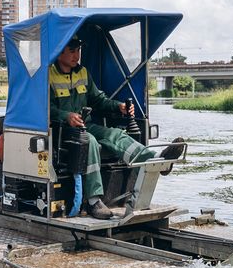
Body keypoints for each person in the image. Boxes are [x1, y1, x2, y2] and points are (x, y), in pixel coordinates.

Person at [49, 36, 181, 219]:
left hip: (84, 126)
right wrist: (67, 116)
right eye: (72, 51)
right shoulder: (48, 76)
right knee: (91, 142)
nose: (76, 55)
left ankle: (156, 161)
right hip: (61, 132)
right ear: (59, 53)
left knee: (116, 134)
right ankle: (94, 201)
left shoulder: (83, 73)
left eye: (78, 50)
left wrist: (119, 106)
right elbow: (47, 109)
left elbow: (98, 100)